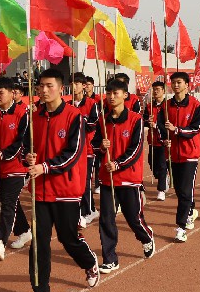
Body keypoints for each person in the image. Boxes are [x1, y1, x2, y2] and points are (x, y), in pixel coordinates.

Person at [23, 68, 99, 292]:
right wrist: (28, 156)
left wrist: (45, 167)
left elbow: (74, 153)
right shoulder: (34, 116)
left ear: (61, 88)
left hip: (65, 190)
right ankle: (41, 290)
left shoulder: (74, 116)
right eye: (41, 86)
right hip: (41, 190)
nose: (44, 91)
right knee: (39, 241)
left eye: (49, 86)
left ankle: (88, 262)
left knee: (68, 238)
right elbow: (26, 145)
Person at [94, 79, 154, 273]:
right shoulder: (103, 120)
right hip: (107, 178)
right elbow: (94, 145)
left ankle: (146, 237)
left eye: (116, 93)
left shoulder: (136, 119)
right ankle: (110, 258)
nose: (111, 96)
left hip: (129, 178)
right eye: (109, 93)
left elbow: (135, 149)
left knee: (133, 218)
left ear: (125, 95)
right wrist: (101, 148)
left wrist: (117, 164)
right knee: (106, 219)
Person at [0, 77, 31, 260]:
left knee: (8, 205)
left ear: (12, 93)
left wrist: (3, 154)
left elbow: (21, 143)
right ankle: (24, 231)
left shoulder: (22, 114)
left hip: (16, 167)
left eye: (0, 93)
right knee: (9, 202)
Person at [157, 71, 200, 243]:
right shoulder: (166, 106)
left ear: (186, 85)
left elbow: (195, 128)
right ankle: (190, 211)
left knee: (184, 191)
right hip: (173, 154)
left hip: (189, 154)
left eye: (179, 82)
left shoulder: (194, 105)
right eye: (173, 82)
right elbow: (161, 127)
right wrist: (164, 140)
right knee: (178, 190)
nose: (176, 85)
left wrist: (177, 130)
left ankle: (181, 227)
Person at [70, 72, 100, 226]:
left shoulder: (91, 104)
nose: (74, 87)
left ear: (83, 85)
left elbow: (93, 125)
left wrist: (79, 120)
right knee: (75, 182)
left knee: (86, 182)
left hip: (87, 150)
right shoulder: (68, 104)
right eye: (72, 84)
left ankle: (87, 211)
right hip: (73, 151)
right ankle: (89, 209)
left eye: (77, 83)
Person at [143, 81, 169, 200]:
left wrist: (157, 125)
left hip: (163, 140)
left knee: (162, 165)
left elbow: (168, 124)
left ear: (164, 91)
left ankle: (161, 190)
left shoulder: (167, 106)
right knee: (152, 163)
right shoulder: (149, 106)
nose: (156, 91)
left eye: (158, 89)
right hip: (152, 140)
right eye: (154, 89)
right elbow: (143, 120)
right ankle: (163, 178)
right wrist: (148, 121)